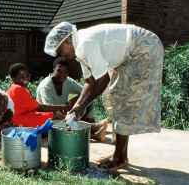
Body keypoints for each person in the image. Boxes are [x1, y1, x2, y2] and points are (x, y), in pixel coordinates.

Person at [44, 22, 163, 171]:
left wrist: (82, 105)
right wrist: (76, 106)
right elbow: (89, 82)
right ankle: (120, 154)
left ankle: (119, 157)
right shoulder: (79, 48)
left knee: (123, 100)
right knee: (115, 97)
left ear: (67, 40)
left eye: (60, 51)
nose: (63, 56)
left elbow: (103, 80)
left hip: (143, 46)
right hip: (130, 52)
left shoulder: (85, 43)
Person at [36, 57, 109, 142]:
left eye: (65, 72)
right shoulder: (46, 86)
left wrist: (81, 109)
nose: (62, 74)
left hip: (62, 113)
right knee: (61, 123)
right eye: (59, 71)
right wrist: (64, 108)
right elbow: (48, 108)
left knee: (85, 98)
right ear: (53, 70)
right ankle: (94, 129)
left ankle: (89, 123)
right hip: (47, 117)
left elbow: (86, 92)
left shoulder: (68, 81)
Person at [7, 63, 71, 128]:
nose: (26, 79)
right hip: (19, 122)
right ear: (14, 79)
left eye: (27, 76)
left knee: (51, 115)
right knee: (55, 117)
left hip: (22, 117)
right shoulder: (17, 89)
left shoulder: (14, 88)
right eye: (22, 77)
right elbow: (41, 108)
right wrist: (63, 107)